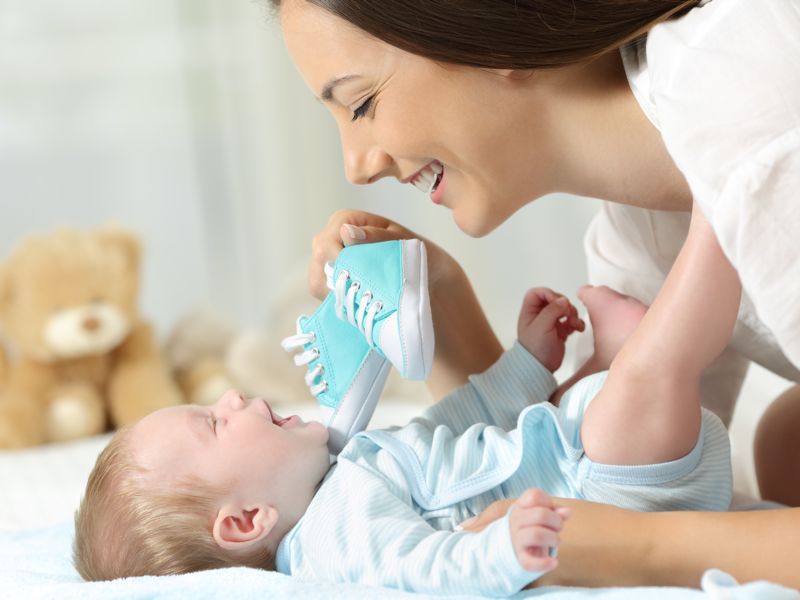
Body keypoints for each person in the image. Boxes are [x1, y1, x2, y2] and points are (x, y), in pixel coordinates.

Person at [268, 0, 800, 586]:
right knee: (786, 440)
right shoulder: (638, 233)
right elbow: (591, 465)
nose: (357, 167)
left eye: (362, 104)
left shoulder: (748, 87)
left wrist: (643, 548)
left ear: (483, 31)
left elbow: (621, 519)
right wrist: (442, 297)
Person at [73, 204, 739, 594]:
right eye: (215, 425)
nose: (230, 397)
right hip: (610, 497)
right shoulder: (334, 541)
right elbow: (424, 576)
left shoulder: (344, 467)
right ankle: (722, 219)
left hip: (576, 454)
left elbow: (463, 421)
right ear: (246, 521)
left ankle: (604, 365)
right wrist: (500, 552)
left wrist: (530, 362)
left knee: (595, 401)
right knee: (654, 370)